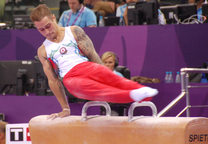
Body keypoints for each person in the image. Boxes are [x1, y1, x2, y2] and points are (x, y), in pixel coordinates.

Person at [30, 4, 158, 119]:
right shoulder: (43, 51)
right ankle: (131, 94)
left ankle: (140, 91)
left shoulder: (74, 31)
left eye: (48, 26)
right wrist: (65, 108)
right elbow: (53, 81)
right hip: (71, 79)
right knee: (99, 90)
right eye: (41, 30)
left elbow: (93, 55)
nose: (47, 32)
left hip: (87, 67)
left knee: (112, 78)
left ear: (53, 18)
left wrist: (104, 74)